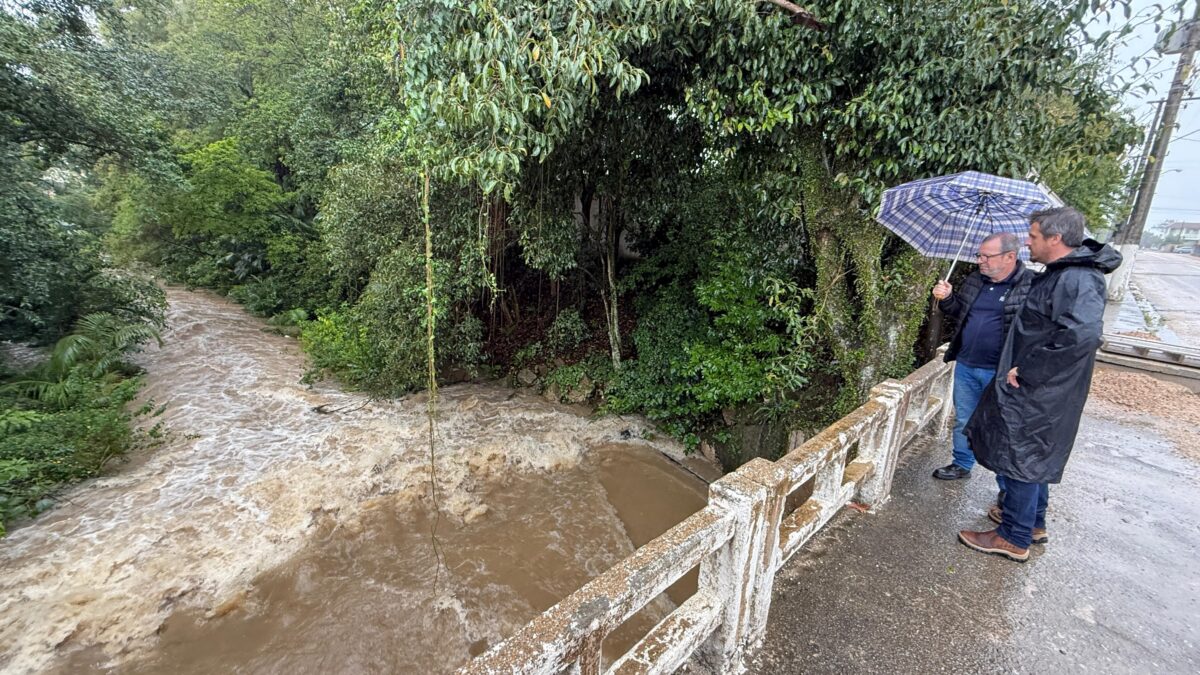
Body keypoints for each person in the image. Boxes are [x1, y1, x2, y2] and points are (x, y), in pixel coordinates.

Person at [959, 207, 1121, 562]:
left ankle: (1013, 537)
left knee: (1022, 456)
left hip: (1041, 389)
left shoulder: (1076, 279)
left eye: (1032, 236)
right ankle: (1031, 523)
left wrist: (1027, 369)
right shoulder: (1062, 274)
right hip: (1043, 387)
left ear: (1055, 238)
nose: (1028, 242)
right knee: (1033, 457)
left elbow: (1081, 335)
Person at [930, 232, 1031, 483]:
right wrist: (947, 298)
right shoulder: (976, 280)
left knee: (1001, 426)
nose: (980, 261)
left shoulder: (1030, 285)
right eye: (979, 255)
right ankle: (961, 463)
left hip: (1000, 371)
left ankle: (1006, 484)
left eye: (987, 256)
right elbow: (959, 313)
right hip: (966, 363)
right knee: (964, 418)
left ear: (1010, 256)